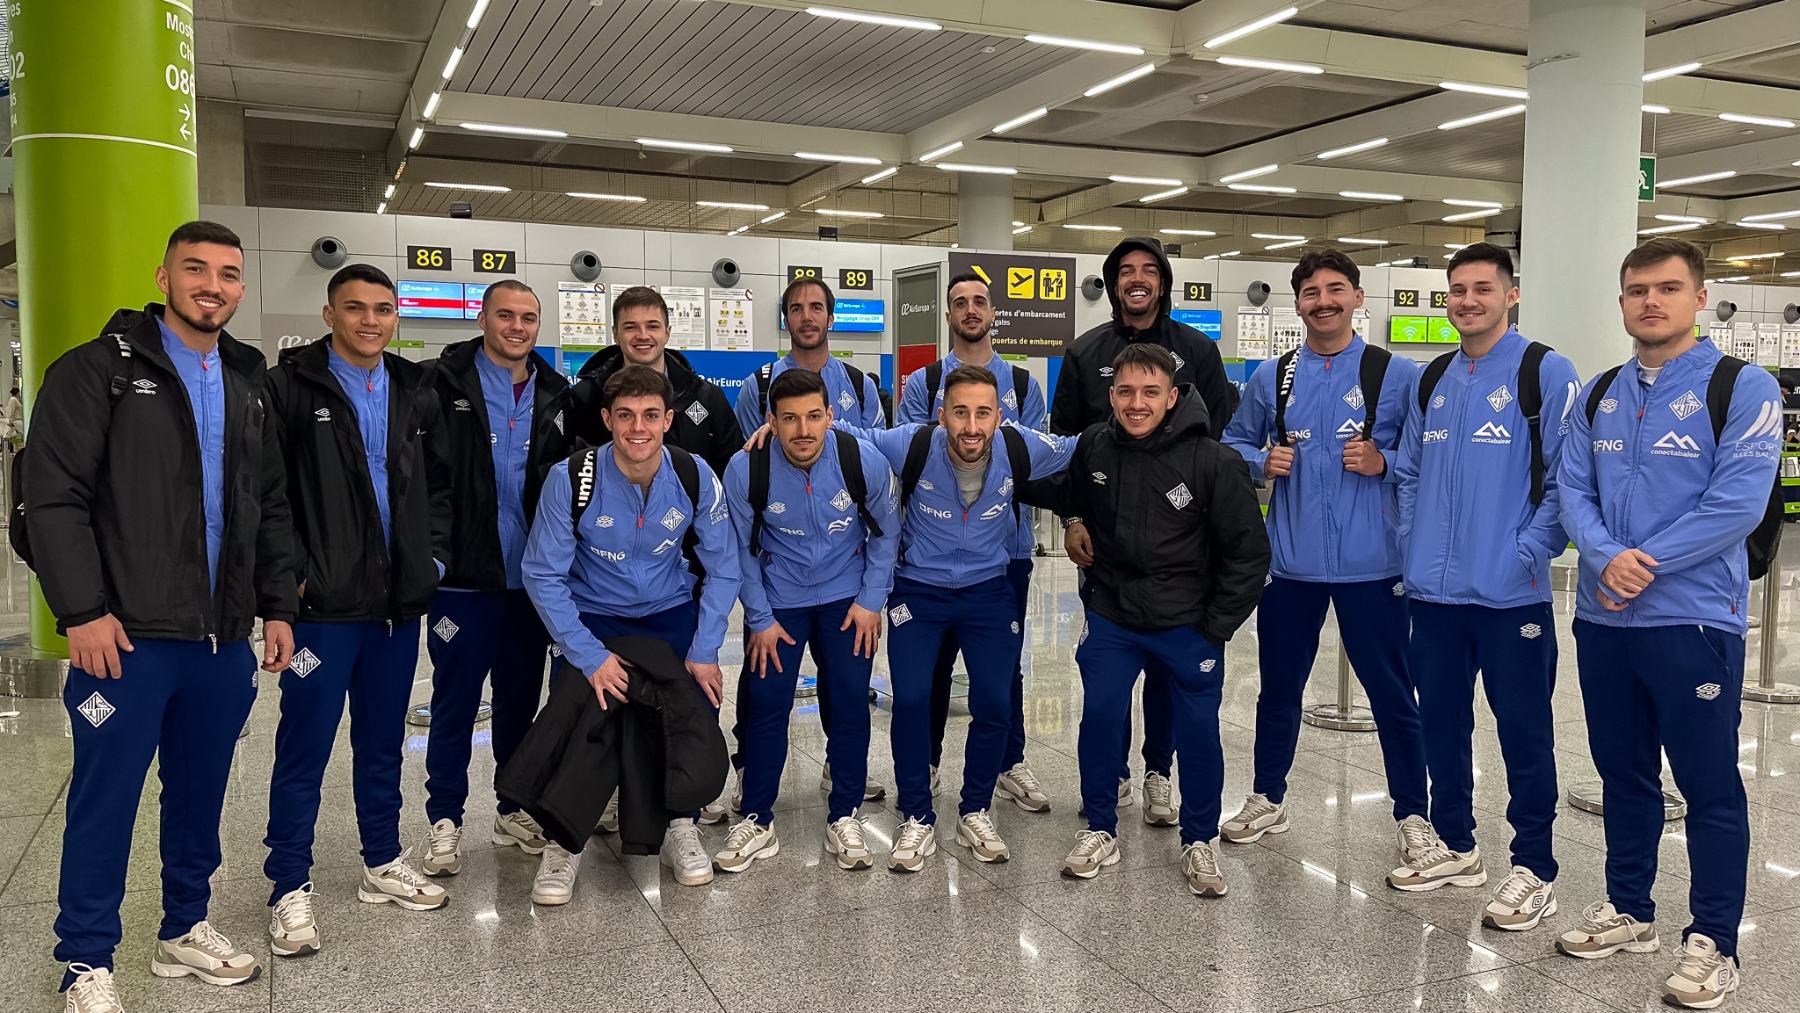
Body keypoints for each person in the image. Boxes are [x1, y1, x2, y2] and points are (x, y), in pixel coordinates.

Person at [31, 221, 296, 1013]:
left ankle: (184, 926)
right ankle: (84, 960)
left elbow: (270, 507)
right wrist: (81, 610)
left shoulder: (249, 384)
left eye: (227, 272)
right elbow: (53, 498)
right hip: (127, 638)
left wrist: (278, 605)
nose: (212, 284)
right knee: (106, 796)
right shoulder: (96, 371)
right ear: (164, 276)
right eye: (196, 269)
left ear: (242, 286)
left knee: (200, 792)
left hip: (220, 639)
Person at [1557, 237, 1776, 1009]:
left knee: (1709, 784)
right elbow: (1572, 487)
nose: (1650, 301)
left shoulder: (1742, 387)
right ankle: (1629, 908)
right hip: (1604, 618)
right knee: (1623, 774)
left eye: (1667, 288)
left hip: (1691, 618)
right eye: (1637, 289)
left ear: (1697, 297)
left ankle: (1714, 939)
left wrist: (1638, 561)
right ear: (1622, 301)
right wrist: (1604, 555)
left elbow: (1738, 504)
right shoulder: (1600, 392)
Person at [803, 366, 1080, 870]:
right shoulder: (910, 444)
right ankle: (917, 816)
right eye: (960, 413)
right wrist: (782, 429)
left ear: (999, 417)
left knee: (996, 701)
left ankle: (975, 808)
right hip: (918, 594)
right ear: (941, 415)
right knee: (910, 699)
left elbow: (1082, 447)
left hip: (988, 592)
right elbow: (845, 433)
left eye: (982, 413)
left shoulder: (1020, 448)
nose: (971, 426)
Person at [261, 264, 454, 957]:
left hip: (396, 607)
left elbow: (438, 488)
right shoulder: (289, 388)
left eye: (382, 309)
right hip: (323, 609)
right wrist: (289, 590)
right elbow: (269, 499)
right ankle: (287, 883)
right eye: (355, 308)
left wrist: (430, 561)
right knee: (303, 747)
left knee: (382, 742)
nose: (370, 320)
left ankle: (380, 860)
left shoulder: (412, 389)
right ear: (328, 313)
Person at [1219, 251, 1433, 865]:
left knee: (1393, 693)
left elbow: (1425, 458)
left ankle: (1412, 814)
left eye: (1336, 290)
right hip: (1292, 567)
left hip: (1375, 566)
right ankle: (1267, 796)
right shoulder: (1273, 375)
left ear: (1358, 299)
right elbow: (1232, 443)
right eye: (1310, 292)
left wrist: (1383, 462)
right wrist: (1263, 462)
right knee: (1279, 689)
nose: (1324, 301)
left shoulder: (1398, 374)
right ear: (1298, 304)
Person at [1389, 243, 1580, 932]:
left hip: (1511, 597)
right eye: (1457, 290)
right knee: (1442, 721)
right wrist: (1412, 548)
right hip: (1435, 597)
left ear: (1510, 294)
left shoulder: (1544, 371)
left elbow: (1568, 478)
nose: (1467, 301)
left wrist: (1528, 551)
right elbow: (1407, 471)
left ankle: (1534, 865)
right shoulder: (1433, 376)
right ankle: (1457, 844)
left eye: (1481, 288)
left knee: (1523, 731)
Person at [1049, 343, 1268, 891]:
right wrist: (1074, 520)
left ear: (1173, 397)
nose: (1136, 403)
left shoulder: (1213, 461)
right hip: (1113, 617)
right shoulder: (1096, 446)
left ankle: (1199, 840)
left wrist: (1213, 628)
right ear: (1111, 395)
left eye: (1150, 392)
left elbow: (1249, 554)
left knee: (1197, 732)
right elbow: (1072, 493)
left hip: (1187, 625)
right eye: (1125, 391)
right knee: (1099, 715)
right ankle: (1100, 827)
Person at [522, 364, 740, 898]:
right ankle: (563, 843)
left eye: (649, 415)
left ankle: (680, 824)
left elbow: (725, 566)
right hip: (594, 613)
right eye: (624, 416)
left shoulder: (693, 475)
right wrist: (588, 656)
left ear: (668, 419)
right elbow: (542, 573)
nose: (636, 428)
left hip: (667, 610)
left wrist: (706, 648)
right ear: (606, 419)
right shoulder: (571, 478)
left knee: (691, 706)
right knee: (580, 711)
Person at [1052, 235, 1235, 820]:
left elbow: (1217, 445)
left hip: (1182, 555)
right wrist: (1074, 517)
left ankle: (1161, 769)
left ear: (1162, 282)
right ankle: (1114, 776)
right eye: (1125, 271)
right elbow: (1066, 454)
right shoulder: (1084, 353)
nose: (1137, 279)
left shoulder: (1198, 352)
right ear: (1111, 283)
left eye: (1148, 271)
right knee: (1110, 680)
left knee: (1168, 675)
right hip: (1109, 554)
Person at [714, 368, 899, 873]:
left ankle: (846, 814)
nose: (803, 430)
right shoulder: (745, 468)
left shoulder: (862, 460)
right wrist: (759, 617)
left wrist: (869, 601)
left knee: (848, 703)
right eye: (789, 419)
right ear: (770, 421)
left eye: (814, 416)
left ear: (830, 416)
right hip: (779, 604)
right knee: (767, 706)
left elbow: (886, 532)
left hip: (847, 600)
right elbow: (740, 551)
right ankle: (757, 818)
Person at [418, 279, 574, 878]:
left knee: (518, 703)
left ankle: (513, 808)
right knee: (455, 703)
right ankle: (444, 820)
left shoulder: (558, 394)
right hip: (463, 580)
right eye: (505, 315)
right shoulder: (440, 383)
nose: (517, 327)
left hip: (531, 583)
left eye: (529, 318)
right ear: (482, 319)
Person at [897, 271, 1051, 811]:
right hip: (931, 557)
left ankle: (1009, 763)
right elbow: (913, 455)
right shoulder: (925, 381)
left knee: (1003, 669)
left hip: (1004, 551)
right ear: (948, 314)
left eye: (979, 302)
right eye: (959, 302)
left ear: (993, 314)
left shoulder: (1025, 385)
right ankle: (931, 762)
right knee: (930, 666)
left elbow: (1036, 462)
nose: (970, 310)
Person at [569, 286, 742, 475]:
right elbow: (576, 468)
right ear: (616, 334)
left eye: (653, 326)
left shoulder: (706, 397)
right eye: (630, 327)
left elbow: (733, 469)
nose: (643, 335)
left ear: (667, 333)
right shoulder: (586, 397)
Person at [733, 276, 886, 434]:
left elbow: (876, 453)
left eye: (816, 307)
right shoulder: (757, 388)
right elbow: (745, 454)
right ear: (786, 322)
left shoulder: (861, 386)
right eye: (796, 309)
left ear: (830, 320)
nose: (806, 317)